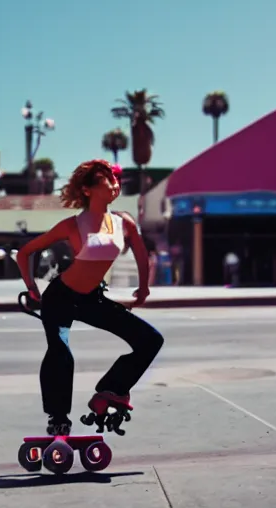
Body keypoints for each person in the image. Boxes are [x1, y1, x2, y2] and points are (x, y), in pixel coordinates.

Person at [16, 159, 164, 435]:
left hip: (91, 299)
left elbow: (143, 257)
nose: (115, 184)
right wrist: (32, 287)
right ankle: (58, 418)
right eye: (107, 180)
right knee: (61, 353)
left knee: (150, 340)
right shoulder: (72, 225)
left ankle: (112, 391)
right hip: (60, 298)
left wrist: (143, 289)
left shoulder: (124, 223)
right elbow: (25, 252)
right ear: (88, 190)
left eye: (115, 179)